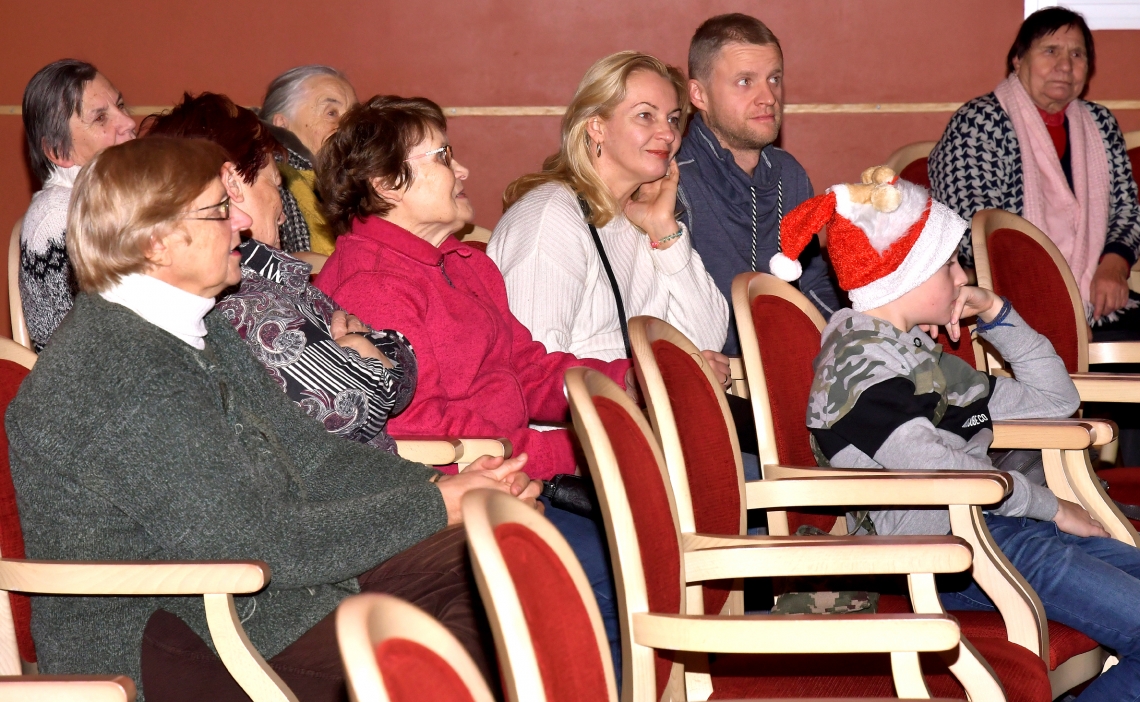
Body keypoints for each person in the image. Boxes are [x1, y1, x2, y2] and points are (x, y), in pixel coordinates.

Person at [7, 136, 542, 700]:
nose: (241, 222)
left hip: (268, 597)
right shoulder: (122, 369)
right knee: (447, 650)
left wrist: (449, 488)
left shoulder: (197, 327)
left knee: (500, 561)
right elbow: (257, 542)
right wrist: (437, 506)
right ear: (157, 242)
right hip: (181, 639)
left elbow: (314, 459)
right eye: (219, 210)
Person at [771, 167, 1140, 702]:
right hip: (958, 550)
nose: (962, 277)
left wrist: (996, 313)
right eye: (948, 264)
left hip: (1006, 529)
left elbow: (1056, 400)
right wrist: (1052, 507)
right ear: (906, 275)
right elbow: (933, 466)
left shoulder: (919, 358)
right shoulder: (860, 369)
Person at [313, 96, 635, 678]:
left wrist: (625, 386)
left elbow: (528, 370)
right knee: (621, 577)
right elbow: (420, 436)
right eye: (442, 156)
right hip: (456, 497)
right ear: (386, 184)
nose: (462, 170)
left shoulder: (462, 264)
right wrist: (576, 450)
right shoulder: (373, 286)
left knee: (656, 536)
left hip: (515, 478)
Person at [141, 92, 415, 450]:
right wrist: (369, 351)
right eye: (274, 184)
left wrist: (362, 353)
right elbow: (347, 411)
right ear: (232, 183)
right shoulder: (239, 298)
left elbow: (405, 369)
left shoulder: (275, 277)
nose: (284, 213)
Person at [490, 51, 729, 383]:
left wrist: (664, 229)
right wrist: (654, 379)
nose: (668, 134)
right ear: (597, 127)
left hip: (642, 411)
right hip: (583, 416)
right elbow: (533, 375)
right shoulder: (549, 218)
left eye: (674, 119)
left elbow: (707, 340)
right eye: (645, 115)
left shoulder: (645, 222)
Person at [928, 7, 1140, 339]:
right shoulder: (980, 122)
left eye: (1077, 54)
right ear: (1018, 60)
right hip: (1008, 305)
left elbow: (1127, 210)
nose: (1065, 65)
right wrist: (1054, 307)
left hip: (1097, 301)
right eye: (1050, 51)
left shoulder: (1100, 124)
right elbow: (972, 229)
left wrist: (1114, 265)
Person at [675, 13, 840, 356]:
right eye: (745, 81)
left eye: (774, 79)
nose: (768, 97)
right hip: (720, 376)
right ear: (699, 94)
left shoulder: (789, 174)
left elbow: (812, 285)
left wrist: (845, 341)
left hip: (793, 365)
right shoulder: (673, 182)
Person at [18, 59, 135, 351]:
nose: (128, 122)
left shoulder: (116, 200)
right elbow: (83, 350)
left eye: (121, 106)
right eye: (101, 118)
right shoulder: (58, 218)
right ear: (59, 151)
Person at [261, 65, 358, 255]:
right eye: (331, 113)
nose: (349, 127)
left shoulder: (365, 185)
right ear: (282, 125)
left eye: (353, 117)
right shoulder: (272, 186)